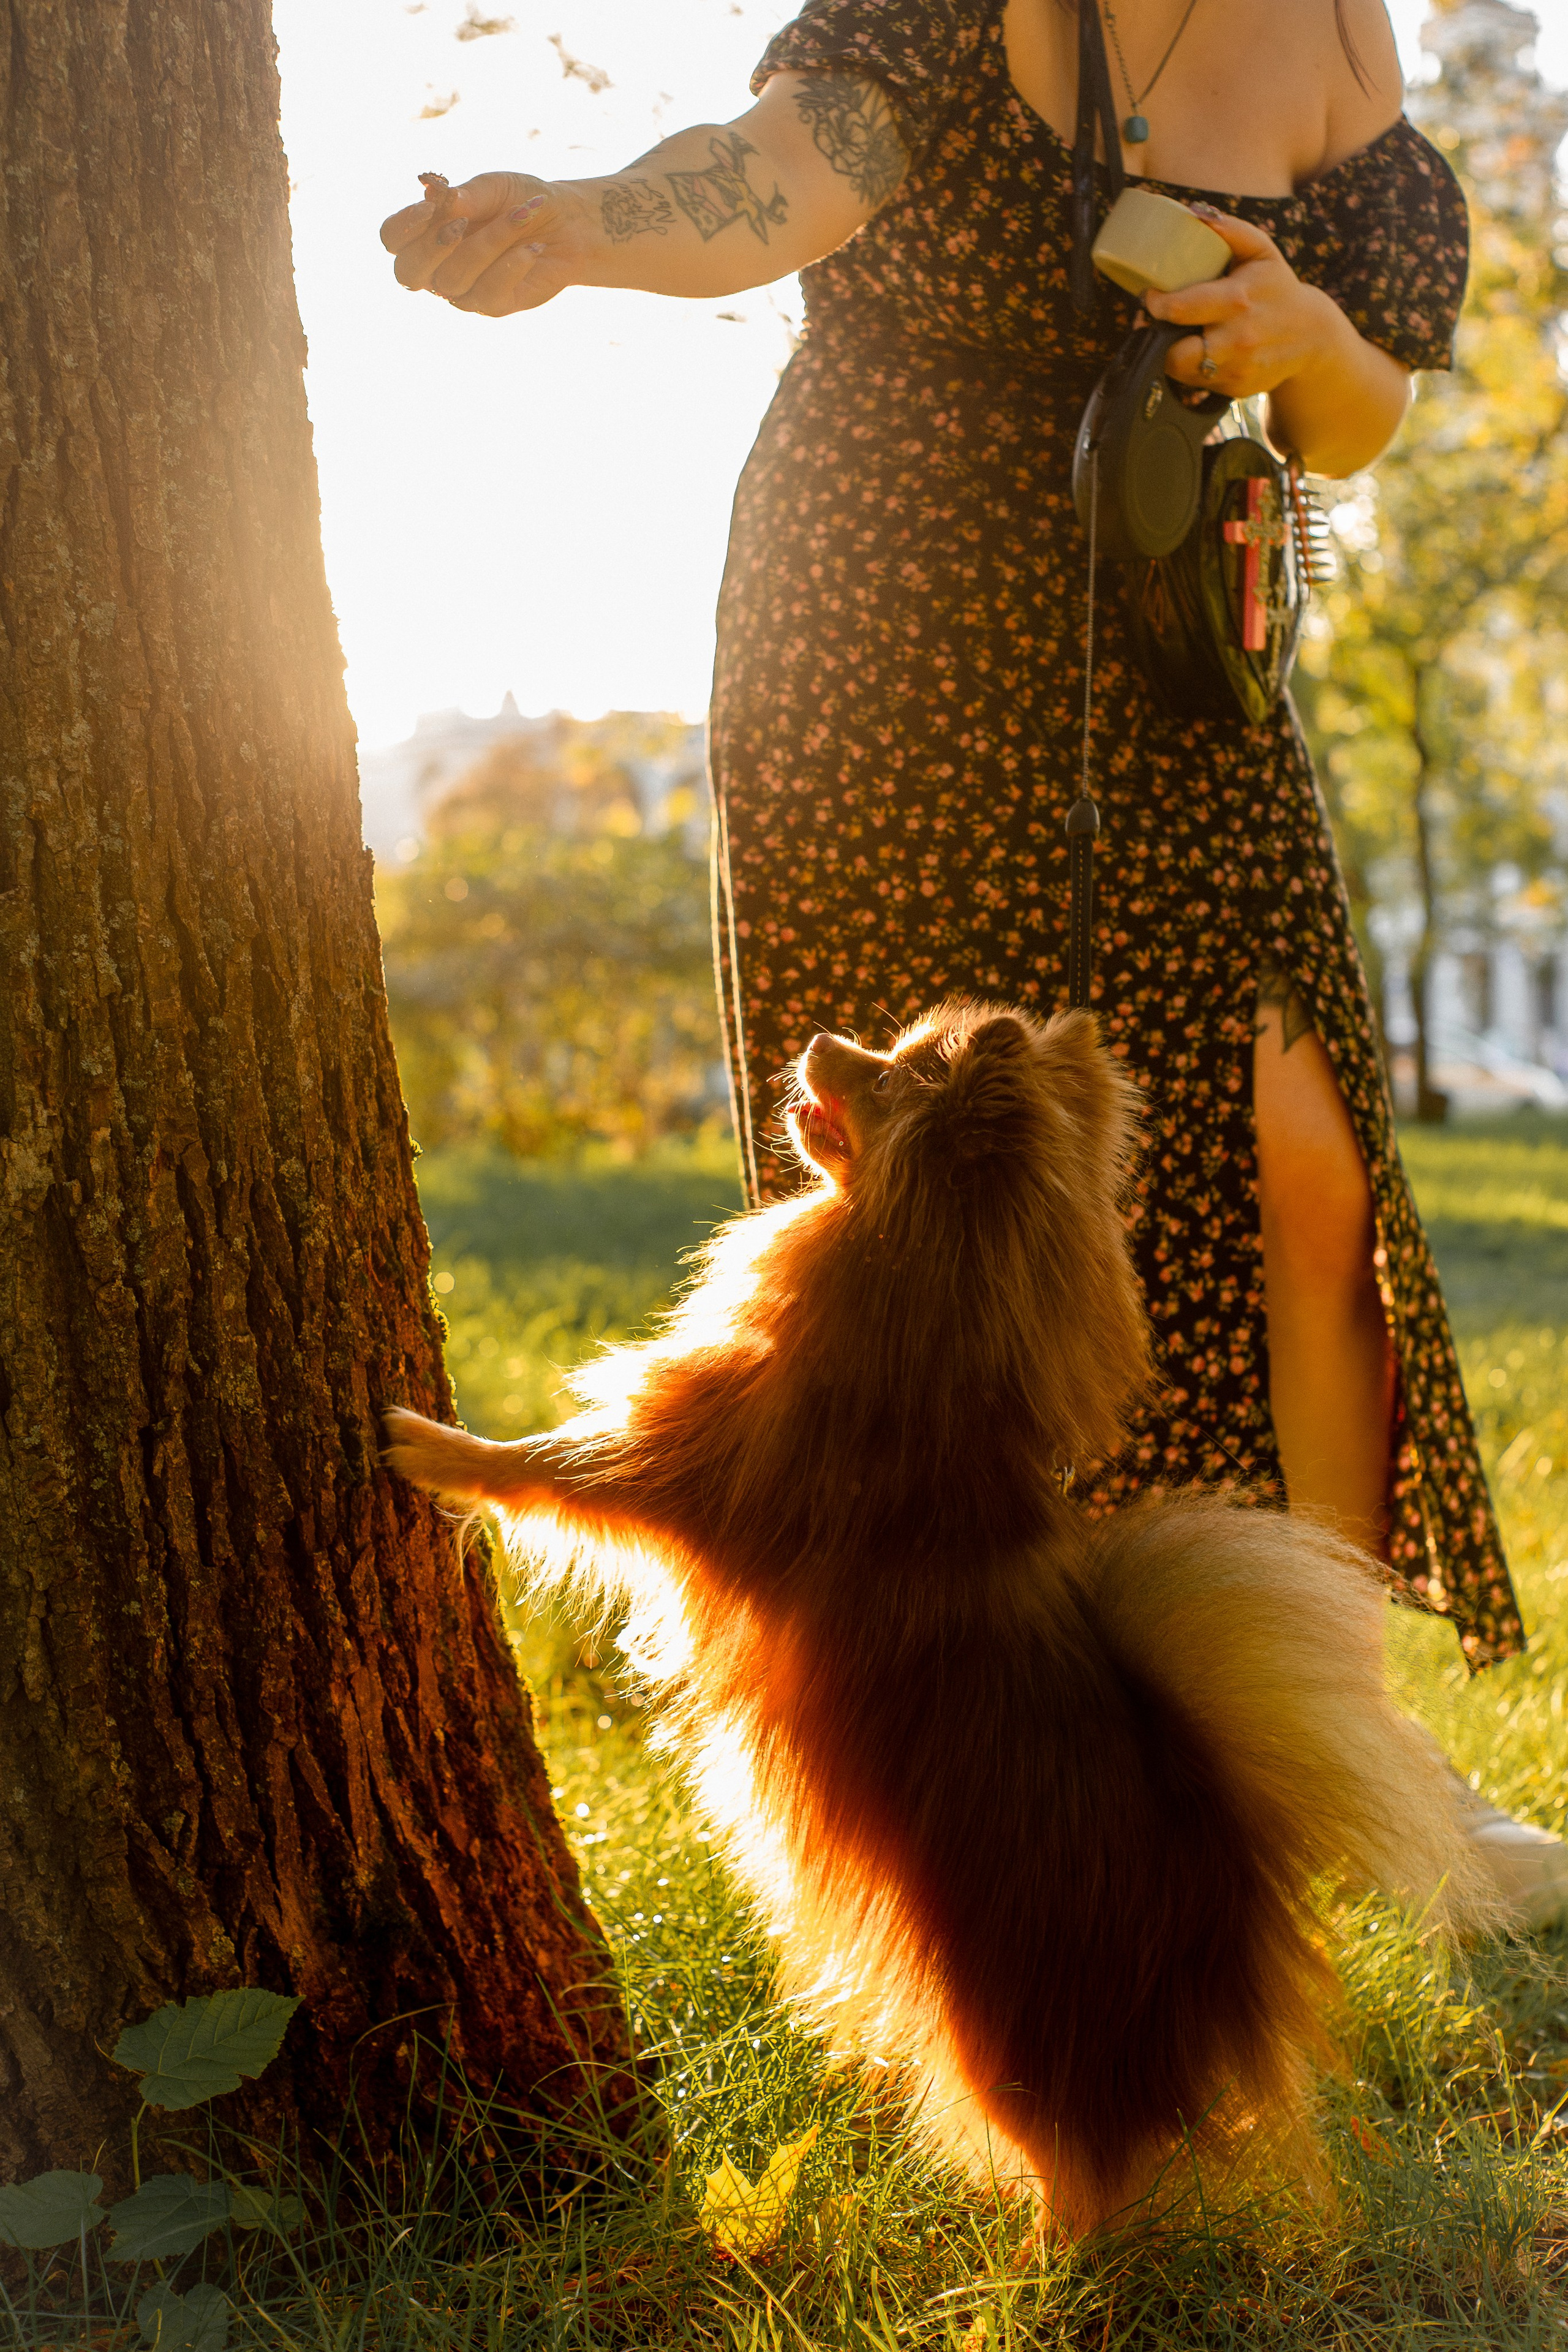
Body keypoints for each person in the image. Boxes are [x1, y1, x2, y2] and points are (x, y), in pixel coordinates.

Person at [382, 0, 1562, 1915]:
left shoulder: (1340, 31)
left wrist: (1311, 344)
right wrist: (580, 223)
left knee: (1303, 1154)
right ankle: (980, 1722)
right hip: (889, 640)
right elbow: (774, 181)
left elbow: (1366, 412)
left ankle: (1349, 1747)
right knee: (926, 1222)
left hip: (1168, 635)